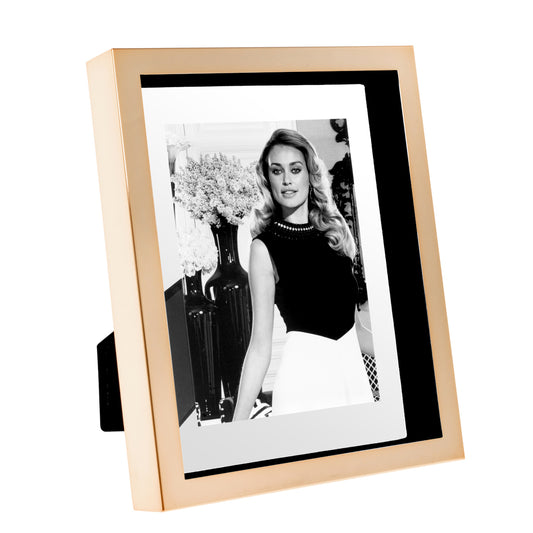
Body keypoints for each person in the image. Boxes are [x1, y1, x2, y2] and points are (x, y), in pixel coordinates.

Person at [232, 128, 374, 420]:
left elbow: (357, 330)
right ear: (267, 179)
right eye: (277, 171)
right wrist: (236, 428)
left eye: (295, 169)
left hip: (353, 380)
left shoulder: (335, 235)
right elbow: (259, 347)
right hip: (304, 385)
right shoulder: (263, 248)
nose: (287, 180)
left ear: (310, 174)